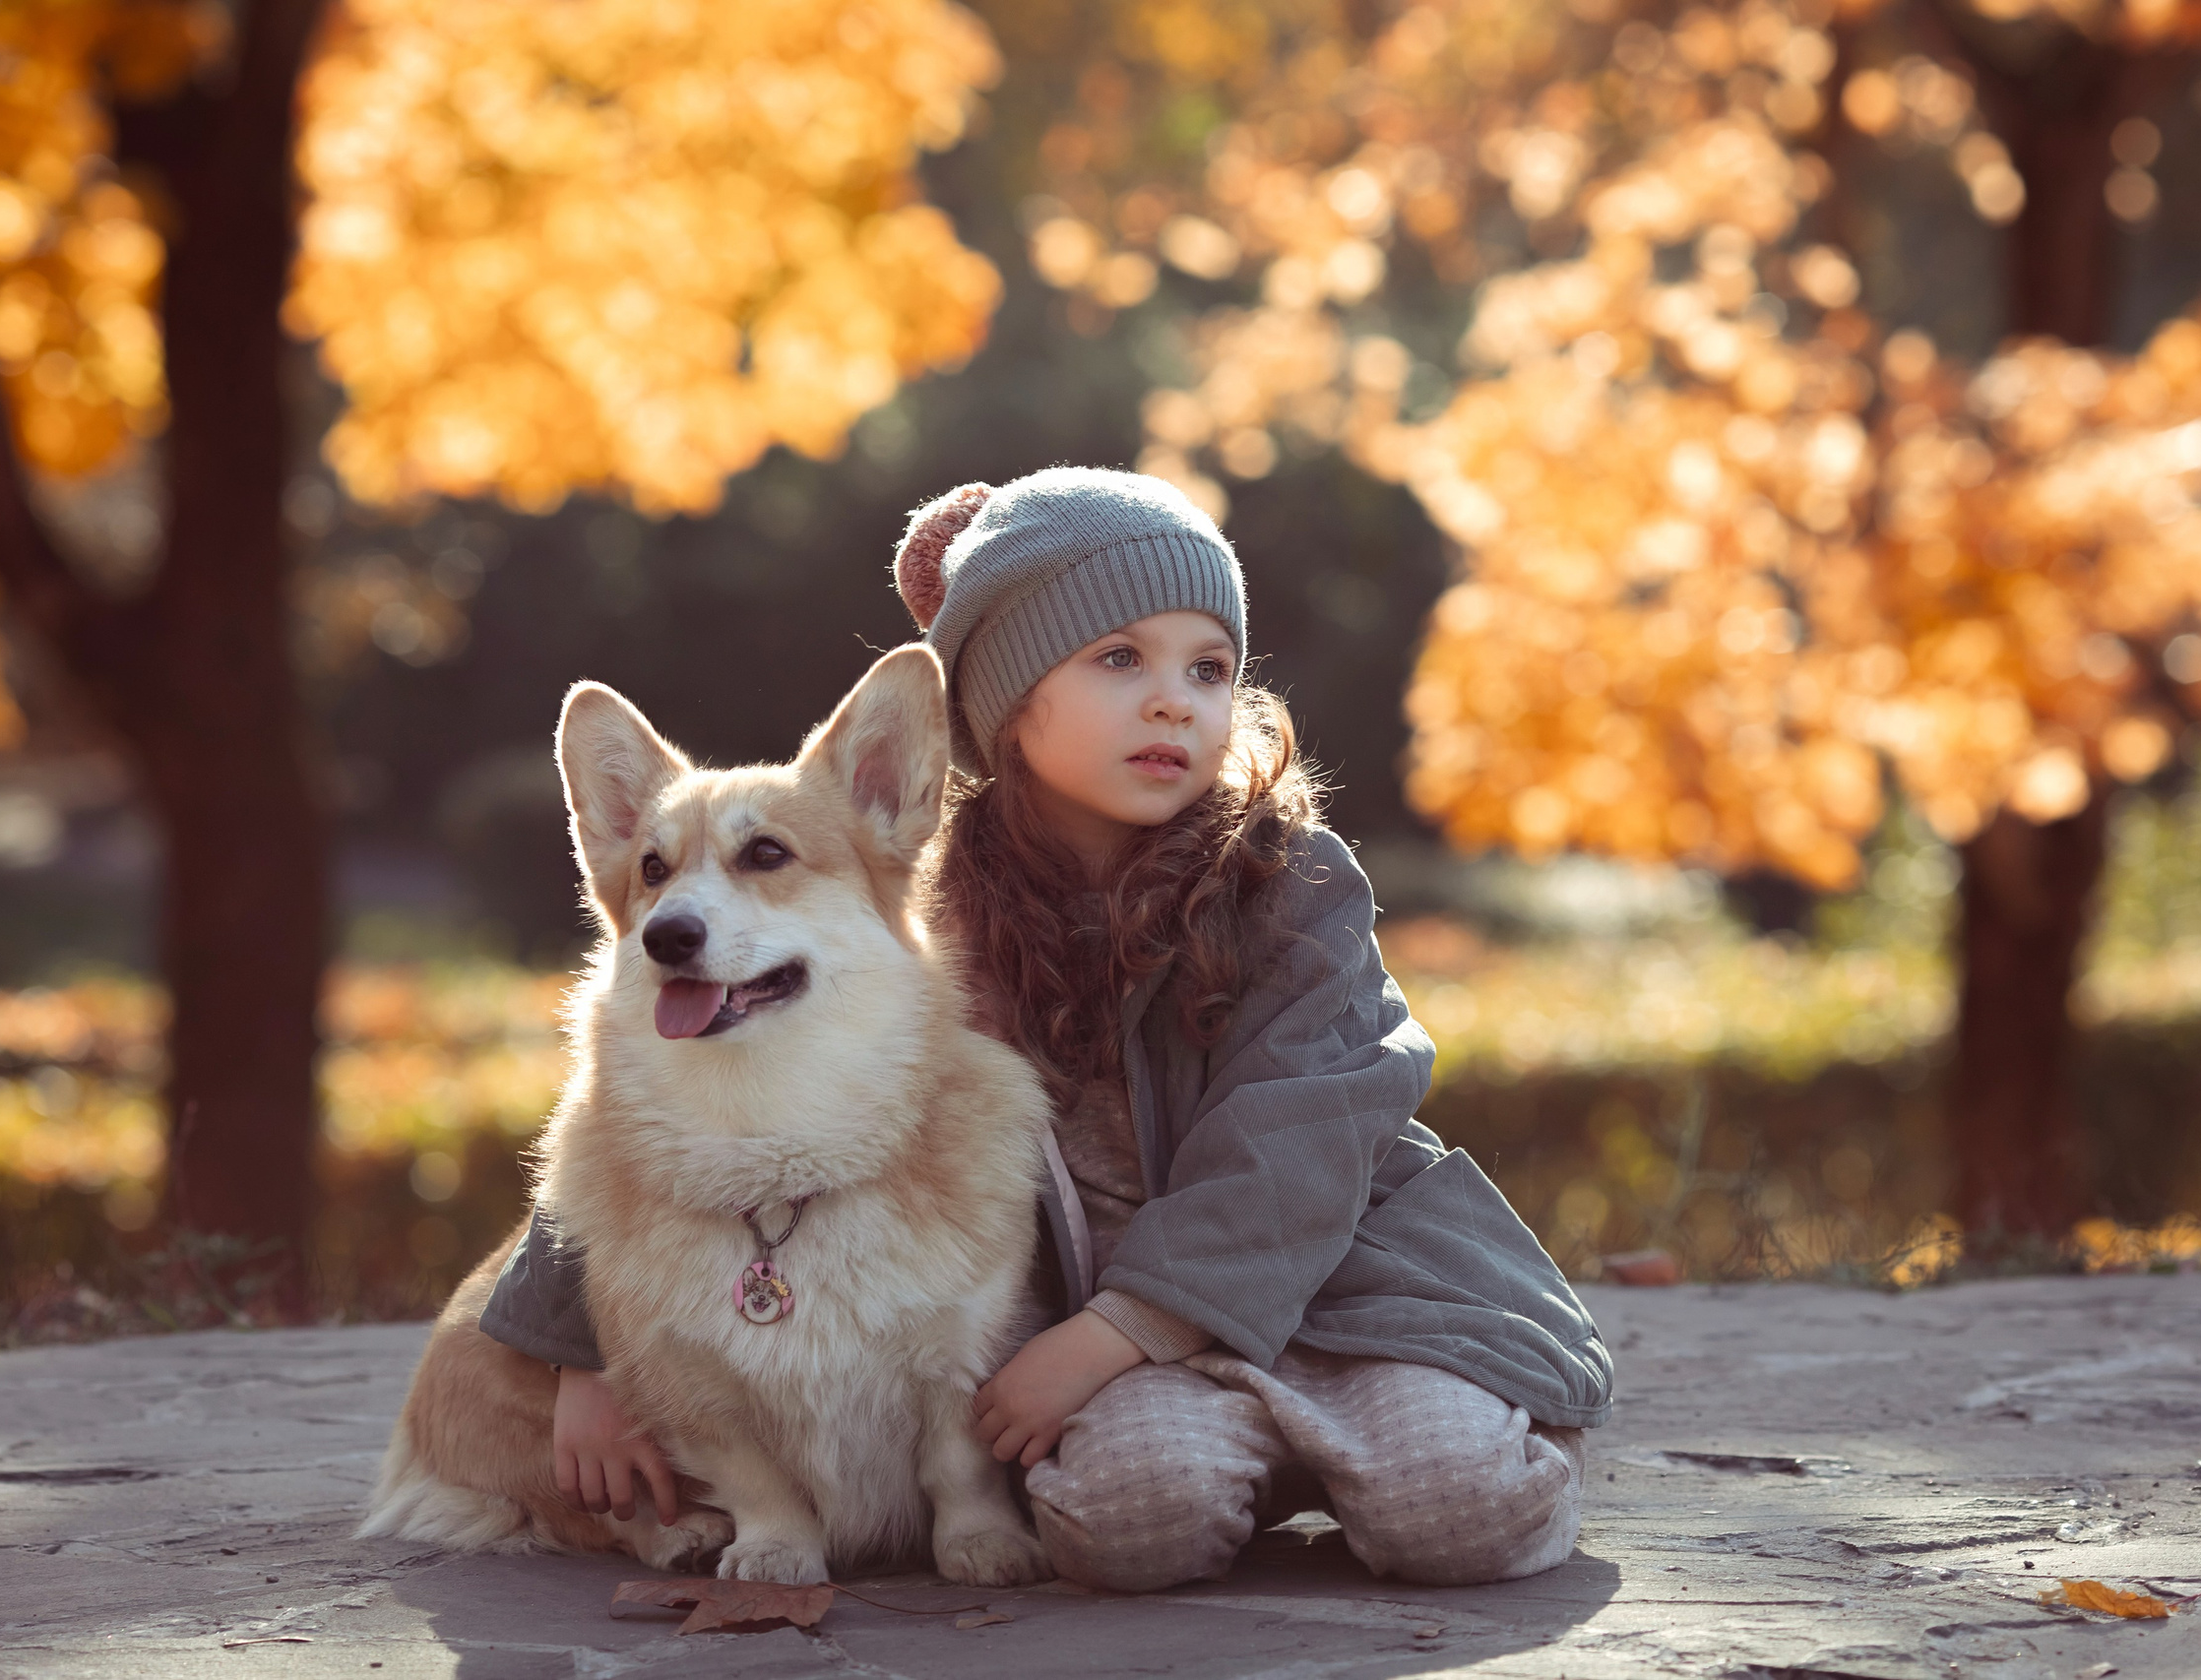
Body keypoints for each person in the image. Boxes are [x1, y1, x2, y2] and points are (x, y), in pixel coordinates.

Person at [479, 467, 1612, 1591]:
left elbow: (1299, 1145)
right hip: (1135, 1355)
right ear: (1005, 703)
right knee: (1121, 1526)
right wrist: (575, 1344)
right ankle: (1261, 1472)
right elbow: (646, 1105)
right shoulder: (919, 902)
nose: (1172, 698)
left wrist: (1109, 1336)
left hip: (1352, 1300)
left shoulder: (1296, 884)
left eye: (1207, 668)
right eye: (1119, 659)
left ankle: (1464, 1431)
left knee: (1453, 1514)